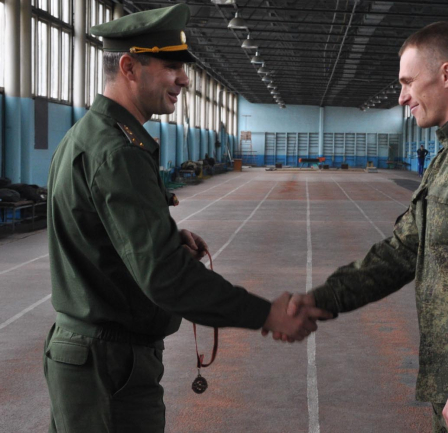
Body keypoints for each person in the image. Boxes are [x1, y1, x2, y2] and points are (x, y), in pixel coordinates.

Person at [44, 5, 330, 433]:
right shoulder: (119, 152)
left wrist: (165, 236)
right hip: (109, 367)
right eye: (171, 66)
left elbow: (98, 234)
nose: (184, 79)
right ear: (129, 67)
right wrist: (266, 314)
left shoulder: (90, 135)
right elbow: (165, 277)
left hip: (95, 361)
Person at [278, 22, 448, 433]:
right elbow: (402, 250)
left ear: (447, 74)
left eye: (408, 82)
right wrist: (325, 297)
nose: (402, 96)